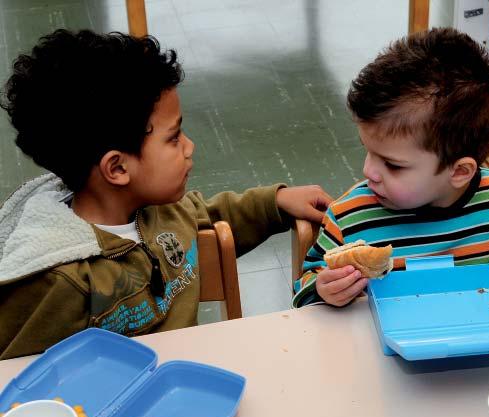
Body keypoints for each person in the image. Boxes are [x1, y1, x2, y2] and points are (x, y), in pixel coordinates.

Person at [0, 29, 332, 359]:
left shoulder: (160, 212)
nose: (189, 146)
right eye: (174, 138)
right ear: (117, 168)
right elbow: (18, 380)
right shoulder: (61, 281)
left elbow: (210, 217)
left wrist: (274, 202)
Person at [293, 27, 489, 308]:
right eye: (368, 150)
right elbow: (306, 292)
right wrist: (322, 291)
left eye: (393, 165)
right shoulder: (349, 220)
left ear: (459, 172)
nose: (368, 171)